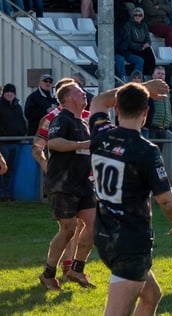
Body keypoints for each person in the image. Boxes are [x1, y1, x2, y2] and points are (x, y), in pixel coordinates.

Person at [88, 79, 172, 315]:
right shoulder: (146, 150)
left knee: (152, 295)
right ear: (146, 112)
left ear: (116, 109)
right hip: (130, 241)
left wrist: (143, 87)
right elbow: (166, 200)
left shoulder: (101, 135)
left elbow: (97, 101)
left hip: (104, 234)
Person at [39, 81, 96, 290]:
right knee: (68, 229)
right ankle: (48, 274)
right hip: (62, 184)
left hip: (82, 184)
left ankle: (76, 269)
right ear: (67, 98)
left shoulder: (82, 122)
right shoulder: (61, 119)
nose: (84, 94)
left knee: (94, 223)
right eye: (80, 92)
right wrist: (82, 145)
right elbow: (53, 143)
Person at [0, 83, 26, 201]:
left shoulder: (18, 107)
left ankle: (7, 194)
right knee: (2, 169)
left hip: (16, 143)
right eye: (7, 92)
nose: (9, 94)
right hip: (3, 143)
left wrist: (21, 133)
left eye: (12, 92)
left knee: (11, 170)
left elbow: (22, 122)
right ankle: (1, 194)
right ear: (3, 93)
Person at [123, 7, 156, 75]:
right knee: (143, 58)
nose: (138, 17)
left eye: (140, 15)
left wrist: (147, 43)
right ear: (133, 16)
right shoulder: (128, 25)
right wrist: (140, 47)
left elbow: (148, 38)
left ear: (142, 16)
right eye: (136, 15)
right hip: (132, 49)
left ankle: (149, 75)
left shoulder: (144, 25)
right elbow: (128, 40)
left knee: (149, 54)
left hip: (142, 48)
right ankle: (141, 76)